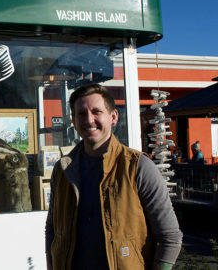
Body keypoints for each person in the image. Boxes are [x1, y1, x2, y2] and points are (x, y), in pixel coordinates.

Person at [45, 84, 182, 270]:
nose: (89, 120)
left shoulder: (138, 167)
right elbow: (53, 230)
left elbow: (170, 237)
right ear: (74, 121)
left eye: (96, 112)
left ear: (113, 117)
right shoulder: (63, 170)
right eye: (81, 114)